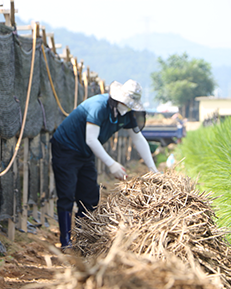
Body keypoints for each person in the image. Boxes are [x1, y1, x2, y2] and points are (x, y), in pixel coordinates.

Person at [50, 79, 158, 248]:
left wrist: (153, 168)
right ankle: (65, 242)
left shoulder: (127, 113)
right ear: (117, 98)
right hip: (66, 147)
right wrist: (111, 164)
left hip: (85, 153)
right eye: (125, 102)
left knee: (89, 196)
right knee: (67, 193)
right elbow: (91, 139)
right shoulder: (99, 106)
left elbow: (137, 138)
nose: (126, 106)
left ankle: (82, 241)